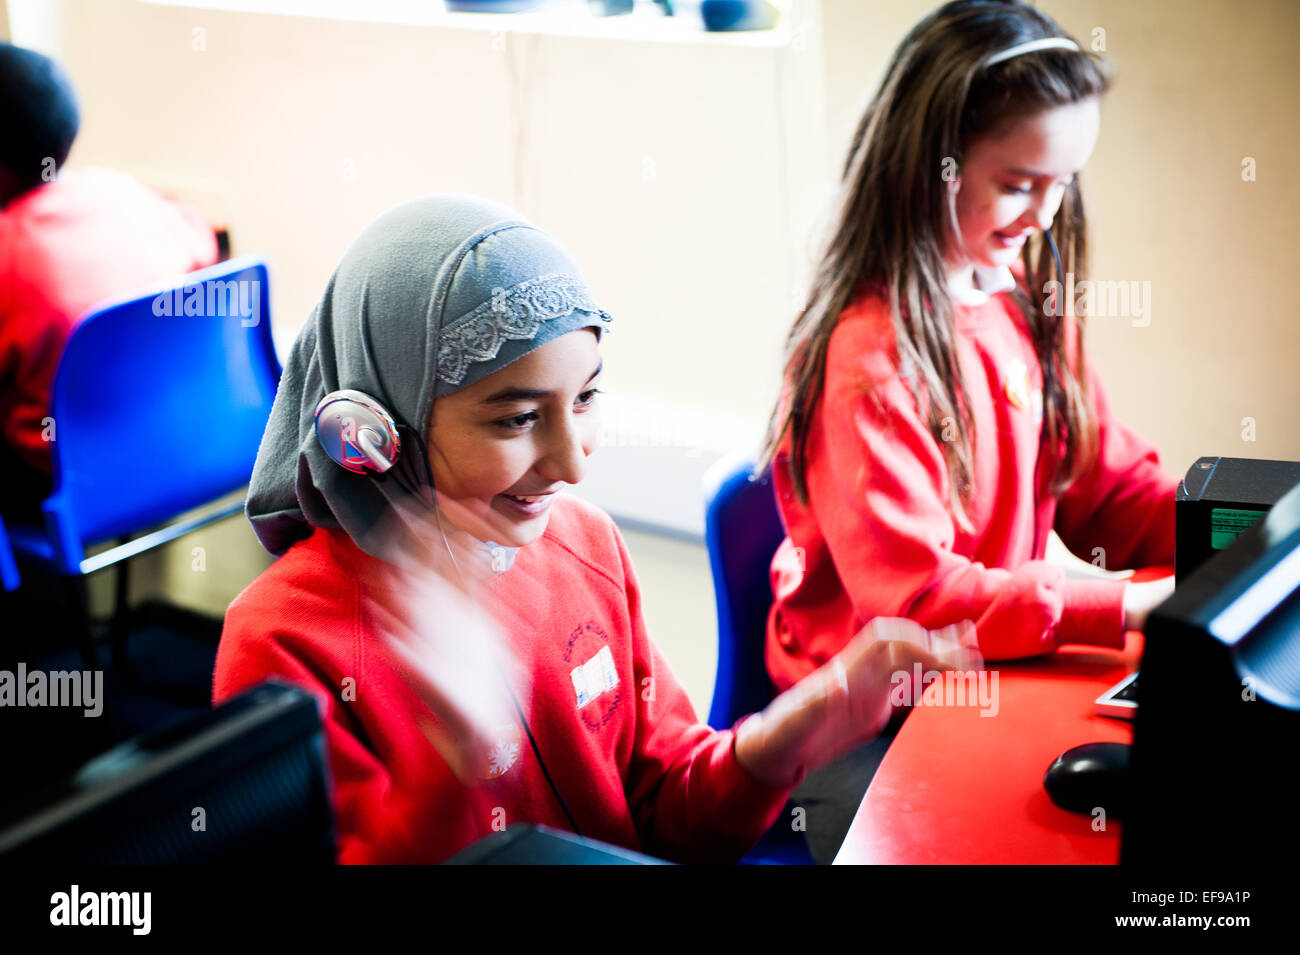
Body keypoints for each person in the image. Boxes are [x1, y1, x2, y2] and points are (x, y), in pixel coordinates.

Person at [213, 194, 980, 864]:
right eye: (517, 418)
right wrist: (451, 763)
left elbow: (665, 816)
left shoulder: (586, 545)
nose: (571, 466)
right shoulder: (281, 642)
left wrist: (784, 738)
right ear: (375, 429)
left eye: (584, 399)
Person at [758, 0, 1178, 862]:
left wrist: (1245, 539)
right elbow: (919, 607)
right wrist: (1126, 600)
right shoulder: (868, 358)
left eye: (1065, 183)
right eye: (1019, 184)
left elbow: (1108, 487)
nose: (1046, 215)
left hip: (991, 679)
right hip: (869, 725)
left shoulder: (1021, 301)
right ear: (930, 168)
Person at [0, 42, 218, 518]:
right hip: (173, 439)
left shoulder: (8, 249)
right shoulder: (129, 195)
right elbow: (206, 251)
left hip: (63, 477)